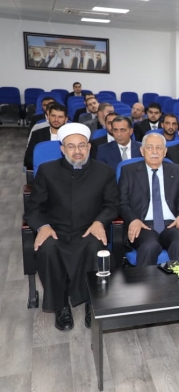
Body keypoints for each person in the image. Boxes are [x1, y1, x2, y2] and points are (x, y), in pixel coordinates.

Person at [24, 123, 119, 331]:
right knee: (48, 249)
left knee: (96, 247)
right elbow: (34, 207)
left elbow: (112, 205)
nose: (77, 151)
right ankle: (61, 306)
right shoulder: (47, 171)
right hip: (55, 230)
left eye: (82, 145)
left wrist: (99, 222)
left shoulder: (104, 171)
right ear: (62, 149)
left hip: (88, 229)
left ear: (89, 147)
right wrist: (43, 226)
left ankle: (91, 303)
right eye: (71, 146)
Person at [119, 133, 179, 267]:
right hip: (142, 224)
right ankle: (144, 280)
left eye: (159, 148)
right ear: (142, 151)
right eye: (149, 147)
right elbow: (122, 203)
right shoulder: (128, 171)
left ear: (165, 151)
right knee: (150, 246)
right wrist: (133, 219)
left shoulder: (177, 170)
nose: (154, 152)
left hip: (171, 224)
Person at [24, 103, 68, 169]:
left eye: (60, 117)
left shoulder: (72, 136)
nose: (56, 119)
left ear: (66, 119)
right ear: (48, 117)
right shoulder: (37, 134)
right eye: (53, 116)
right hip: (43, 171)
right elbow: (28, 159)